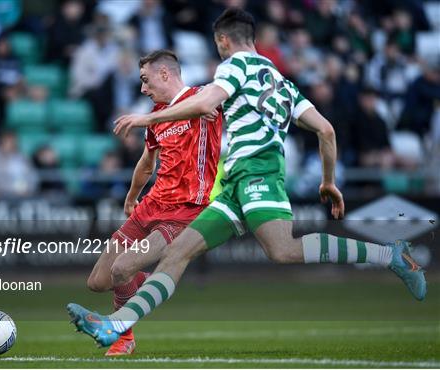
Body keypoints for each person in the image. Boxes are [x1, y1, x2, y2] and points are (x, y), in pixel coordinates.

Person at [68, 8, 426, 348]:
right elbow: (326, 131)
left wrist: (146, 119)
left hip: (258, 172)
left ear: (223, 40)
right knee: (177, 254)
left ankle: (390, 254)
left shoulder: (234, 66)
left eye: (216, 43)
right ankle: (118, 325)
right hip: (235, 186)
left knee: (282, 250)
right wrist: (328, 181)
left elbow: (206, 103)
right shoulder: (284, 83)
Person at [81, 49, 222, 355]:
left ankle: (123, 337)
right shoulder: (159, 116)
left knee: (122, 270)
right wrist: (132, 197)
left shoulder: (204, 98)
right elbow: (147, 163)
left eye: (145, 80)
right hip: (150, 205)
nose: (142, 89)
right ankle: (159, 282)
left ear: (164, 74)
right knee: (98, 281)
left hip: (184, 210)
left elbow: (208, 103)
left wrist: (147, 118)